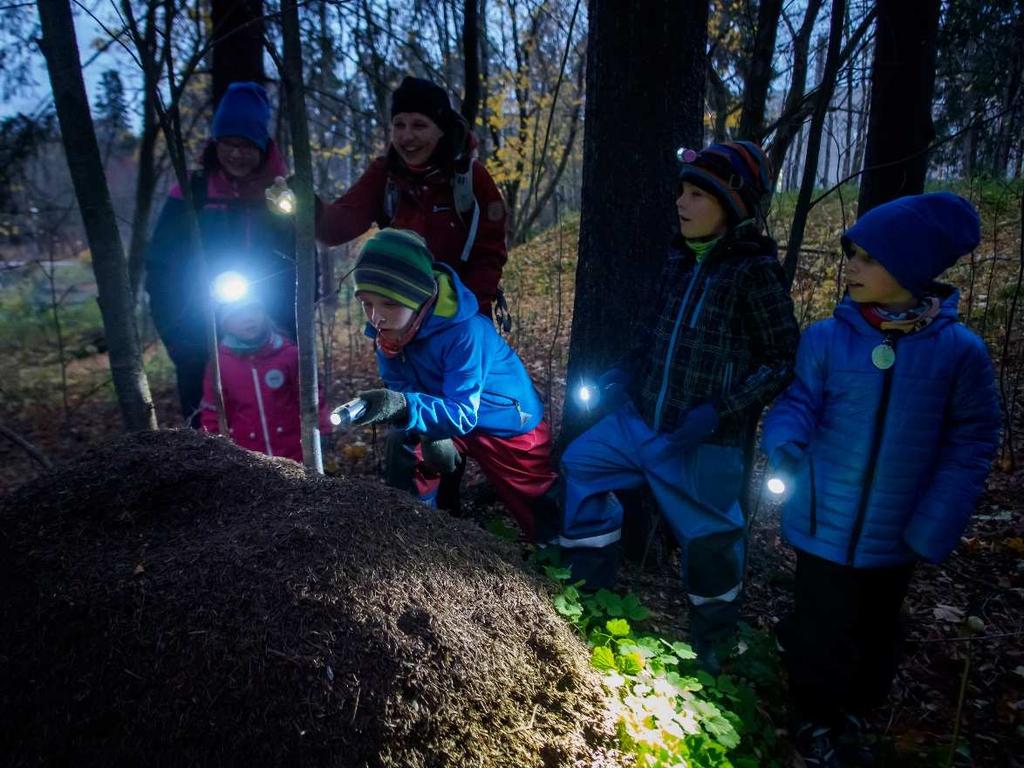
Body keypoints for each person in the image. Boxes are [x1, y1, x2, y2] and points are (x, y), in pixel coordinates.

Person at [761, 192, 1001, 767]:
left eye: (867, 258)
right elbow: (800, 400)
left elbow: (972, 442)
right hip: (823, 518)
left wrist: (935, 522)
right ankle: (814, 720)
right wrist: (785, 440)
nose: (851, 268)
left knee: (873, 632)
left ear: (910, 268)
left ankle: (853, 715)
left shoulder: (959, 354)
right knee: (821, 626)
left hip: (897, 532)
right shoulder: (826, 338)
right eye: (852, 255)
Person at [556, 142, 800, 673]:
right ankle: (588, 589)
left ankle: (714, 641)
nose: (681, 204)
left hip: (702, 441)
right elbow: (651, 333)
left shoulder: (753, 272)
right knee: (581, 464)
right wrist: (625, 374)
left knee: (711, 537)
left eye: (697, 194)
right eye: (681, 192)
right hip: (638, 421)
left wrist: (719, 411)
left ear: (733, 203)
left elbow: (782, 358)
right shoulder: (677, 258)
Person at [344, 228, 557, 542]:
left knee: (538, 498)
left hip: (507, 422)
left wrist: (407, 410)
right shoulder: (387, 338)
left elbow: (461, 412)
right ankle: (418, 534)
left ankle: (567, 563)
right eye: (366, 303)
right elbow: (403, 387)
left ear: (417, 297)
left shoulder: (466, 332)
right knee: (405, 445)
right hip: (449, 416)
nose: (376, 318)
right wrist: (429, 436)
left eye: (389, 304)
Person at [146, 81, 297, 427]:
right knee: (207, 432)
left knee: (270, 426)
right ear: (216, 144)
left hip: (270, 337)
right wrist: (179, 338)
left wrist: (288, 330)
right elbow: (160, 267)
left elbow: (299, 264)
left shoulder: (279, 197)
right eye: (229, 143)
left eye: (247, 145)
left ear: (262, 147)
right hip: (200, 336)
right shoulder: (190, 193)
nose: (237, 154)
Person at [311, 76, 508, 319]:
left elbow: (489, 254)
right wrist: (310, 209)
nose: (406, 137)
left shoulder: (471, 178)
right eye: (399, 125)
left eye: (419, 125)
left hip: (464, 320)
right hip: (398, 325)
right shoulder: (384, 175)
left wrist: (466, 314)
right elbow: (341, 223)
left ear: (441, 130)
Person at [200, 287, 329, 463]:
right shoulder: (220, 364)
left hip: (295, 455)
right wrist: (213, 449)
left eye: (254, 310)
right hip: (249, 461)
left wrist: (322, 430)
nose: (248, 318)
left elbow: (313, 399)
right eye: (237, 313)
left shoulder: (288, 354)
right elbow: (213, 413)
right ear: (225, 323)